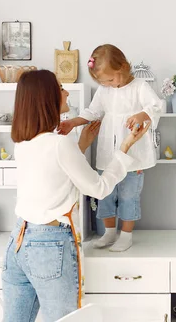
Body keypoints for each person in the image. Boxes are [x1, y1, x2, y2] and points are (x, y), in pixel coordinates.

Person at [2, 70, 149, 322]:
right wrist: (124, 148)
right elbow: (99, 188)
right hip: (50, 245)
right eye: (60, 88)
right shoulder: (60, 144)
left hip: (18, 240)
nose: (66, 92)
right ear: (47, 97)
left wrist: (81, 145)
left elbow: (54, 174)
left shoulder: (23, 143)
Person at [58, 44, 163, 252]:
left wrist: (142, 115)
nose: (108, 84)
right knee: (104, 195)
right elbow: (92, 112)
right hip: (107, 152)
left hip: (133, 154)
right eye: (103, 82)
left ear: (123, 67)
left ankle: (126, 235)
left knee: (128, 195)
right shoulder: (104, 90)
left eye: (111, 79)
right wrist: (72, 122)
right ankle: (109, 232)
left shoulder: (139, 86)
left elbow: (157, 105)